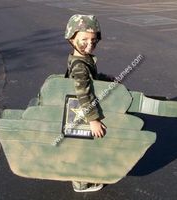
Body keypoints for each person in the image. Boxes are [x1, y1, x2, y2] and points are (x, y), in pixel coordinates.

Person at [64, 14, 112, 192]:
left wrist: (105, 78)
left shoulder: (83, 59)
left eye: (93, 40)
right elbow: (83, 92)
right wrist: (93, 119)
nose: (90, 44)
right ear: (71, 38)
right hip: (81, 111)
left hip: (80, 110)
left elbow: (91, 79)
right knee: (83, 147)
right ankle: (81, 183)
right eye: (84, 39)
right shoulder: (79, 65)